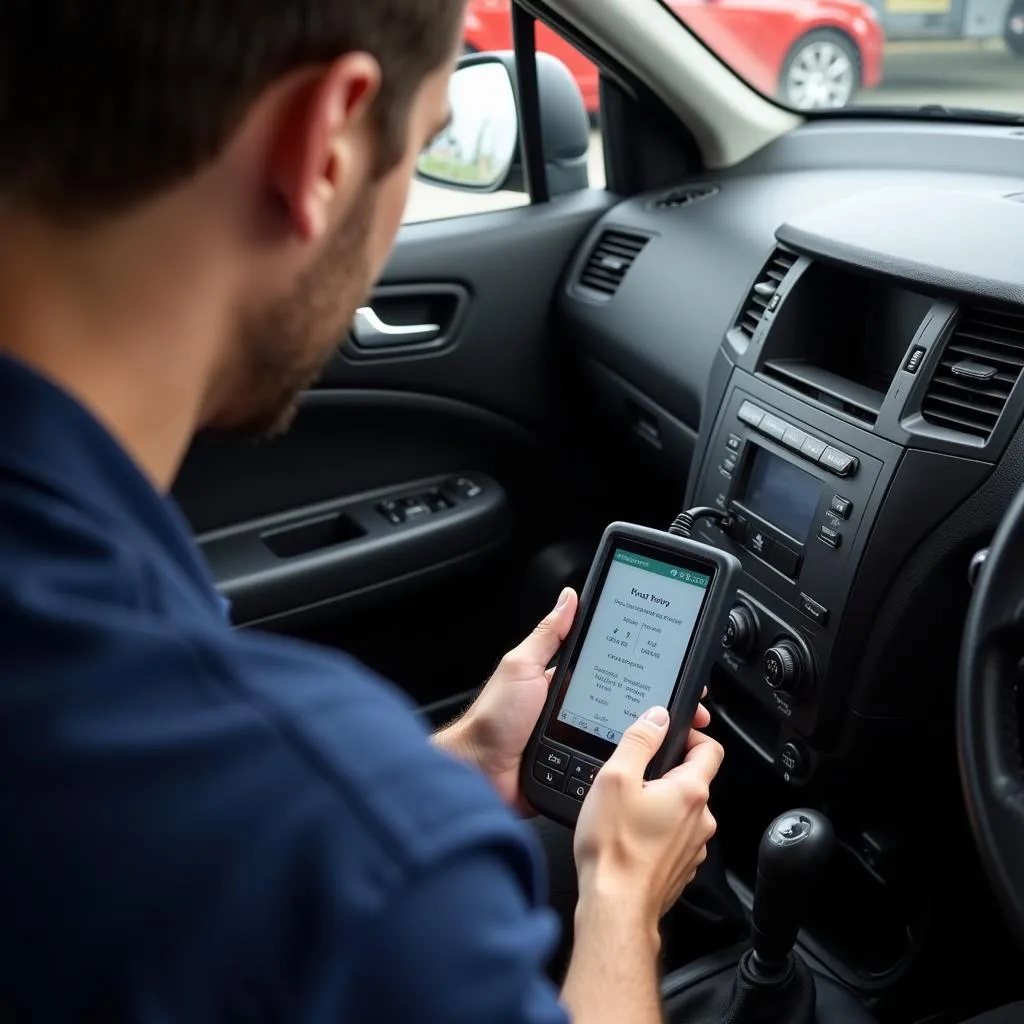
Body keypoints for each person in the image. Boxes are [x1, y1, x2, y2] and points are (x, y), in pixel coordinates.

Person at [0, 2, 724, 1021]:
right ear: (326, 144)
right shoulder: (357, 856)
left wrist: (467, 757)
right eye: (424, 150)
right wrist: (620, 896)